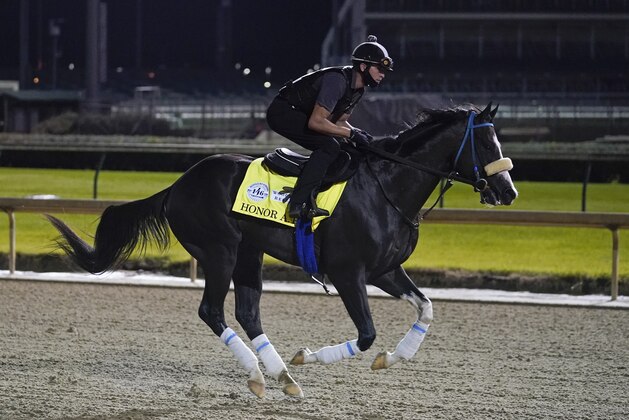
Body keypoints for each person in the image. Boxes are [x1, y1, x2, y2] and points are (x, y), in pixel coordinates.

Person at [266, 35, 393, 220]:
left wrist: (356, 133)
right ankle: (298, 203)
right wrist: (351, 133)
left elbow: (340, 122)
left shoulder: (359, 89)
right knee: (329, 146)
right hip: (283, 112)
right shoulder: (337, 81)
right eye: (380, 68)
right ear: (364, 67)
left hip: (303, 114)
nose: (383, 74)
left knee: (353, 150)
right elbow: (316, 122)